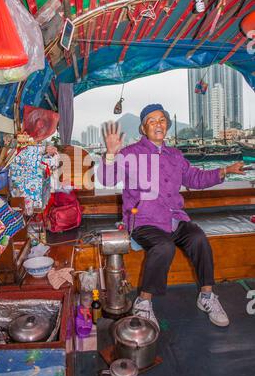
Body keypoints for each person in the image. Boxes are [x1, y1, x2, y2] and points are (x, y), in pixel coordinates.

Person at [97, 104, 245, 330]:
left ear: (167, 125)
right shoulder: (130, 153)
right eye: (152, 121)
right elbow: (107, 180)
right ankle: (143, 301)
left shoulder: (175, 155)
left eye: (162, 120)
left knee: (199, 239)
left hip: (174, 217)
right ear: (143, 128)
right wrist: (109, 154)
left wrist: (225, 171)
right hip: (144, 220)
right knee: (164, 247)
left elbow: (195, 179)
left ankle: (207, 296)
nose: (158, 124)